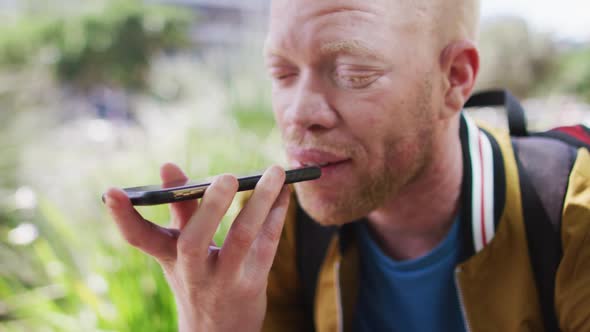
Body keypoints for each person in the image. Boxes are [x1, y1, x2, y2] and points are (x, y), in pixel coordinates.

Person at [103, 0, 590, 331]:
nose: (298, 114)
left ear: (454, 80)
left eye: (355, 73)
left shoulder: (572, 220)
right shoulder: (280, 228)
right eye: (282, 73)